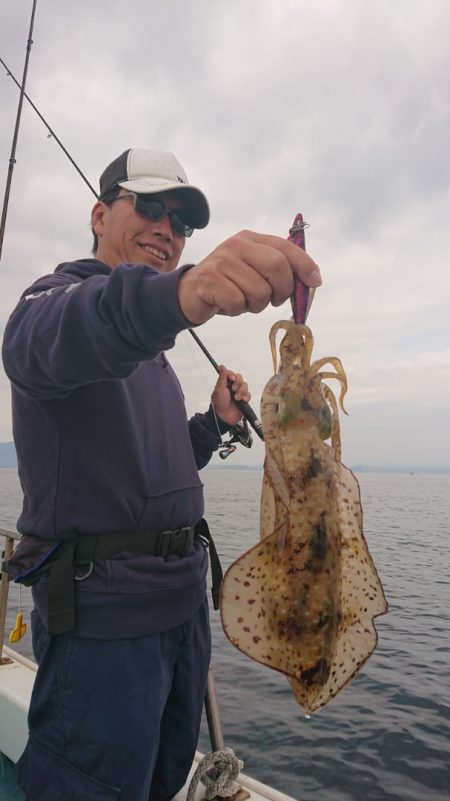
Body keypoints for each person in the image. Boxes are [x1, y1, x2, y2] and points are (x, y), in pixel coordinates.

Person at [2, 148, 322, 801]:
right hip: (105, 628)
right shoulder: (55, 303)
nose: (166, 231)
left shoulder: (151, 349)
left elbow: (148, 469)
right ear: (98, 213)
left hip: (181, 616)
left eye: (181, 224)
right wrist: (189, 290)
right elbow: (46, 336)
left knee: (161, 780)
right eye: (149, 207)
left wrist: (209, 423)